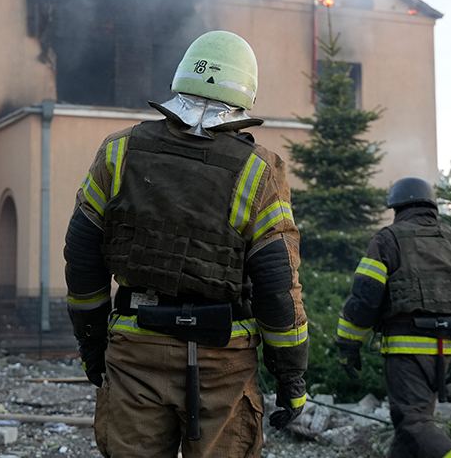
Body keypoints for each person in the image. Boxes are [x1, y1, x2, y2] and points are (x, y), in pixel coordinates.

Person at [64, 30, 309, 458]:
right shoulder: (259, 171)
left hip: (137, 349)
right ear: (245, 91)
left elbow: (83, 258)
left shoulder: (119, 151)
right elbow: (277, 284)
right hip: (224, 360)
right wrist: (291, 378)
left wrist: (92, 347)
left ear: (181, 79)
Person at [335, 177, 451, 458]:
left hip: (407, 347)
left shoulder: (388, 239)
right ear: (432, 206)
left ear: (397, 208)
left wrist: (348, 344)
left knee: (414, 422)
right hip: (447, 347)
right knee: (411, 425)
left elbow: (365, 298)